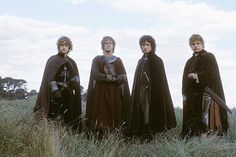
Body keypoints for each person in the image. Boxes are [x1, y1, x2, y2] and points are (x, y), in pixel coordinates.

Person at [127, 35, 176, 139]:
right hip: (141, 91)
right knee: (141, 110)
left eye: (147, 44)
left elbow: (160, 81)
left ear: (152, 46)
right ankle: (142, 133)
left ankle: (152, 133)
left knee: (150, 111)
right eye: (143, 45)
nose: (145, 47)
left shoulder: (157, 61)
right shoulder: (140, 62)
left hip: (153, 93)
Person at [181, 34, 228, 138]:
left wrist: (198, 76)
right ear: (190, 46)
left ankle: (208, 137)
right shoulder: (189, 61)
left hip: (207, 93)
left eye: (198, 43)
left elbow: (213, 73)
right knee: (194, 117)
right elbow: (185, 80)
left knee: (205, 115)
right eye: (193, 44)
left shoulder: (209, 57)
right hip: (193, 96)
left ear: (203, 44)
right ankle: (194, 136)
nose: (195, 46)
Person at [34, 36, 82, 131]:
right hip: (55, 93)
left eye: (66, 45)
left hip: (67, 93)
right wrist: (55, 89)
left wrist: (75, 81)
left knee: (67, 116)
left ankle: (66, 134)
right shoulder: (53, 60)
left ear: (69, 47)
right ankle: (52, 134)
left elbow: (75, 78)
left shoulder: (72, 62)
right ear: (58, 46)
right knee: (53, 116)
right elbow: (49, 77)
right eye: (61, 45)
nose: (64, 47)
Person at [85, 36, 130, 137]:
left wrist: (116, 78)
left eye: (110, 43)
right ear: (103, 46)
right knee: (101, 113)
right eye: (106, 43)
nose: (108, 44)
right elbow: (96, 75)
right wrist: (111, 78)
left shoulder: (118, 60)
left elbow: (123, 76)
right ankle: (99, 136)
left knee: (114, 113)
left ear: (113, 46)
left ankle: (114, 136)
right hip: (100, 92)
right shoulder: (97, 60)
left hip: (114, 92)